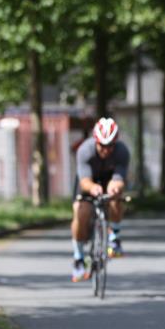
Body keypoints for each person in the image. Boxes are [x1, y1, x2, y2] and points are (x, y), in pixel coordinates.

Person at [70, 118, 130, 282]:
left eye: (110, 145)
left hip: (109, 179)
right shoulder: (85, 150)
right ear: (96, 141)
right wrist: (92, 188)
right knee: (81, 212)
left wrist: (114, 187)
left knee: (117, 196)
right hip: (88, 182)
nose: (106, 150)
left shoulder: (121, 152)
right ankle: (78, 258)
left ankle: (114, 238)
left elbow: (119, 177)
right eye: (102, 145)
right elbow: (84, 181)